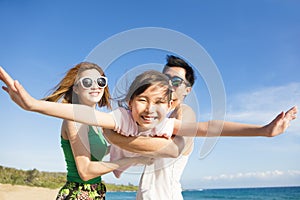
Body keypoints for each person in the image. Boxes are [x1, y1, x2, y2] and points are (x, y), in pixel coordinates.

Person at [1, 62, 154, 200]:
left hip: (96, 192)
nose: (95, 86)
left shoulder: (96, 123)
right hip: (78, 194)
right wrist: (133, 161)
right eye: (87, 82)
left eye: (100, 81)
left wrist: (131, 147)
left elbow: (94, 152)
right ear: (76, 88)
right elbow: (85, 171)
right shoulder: (75, 121)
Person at [136, 55, 196, 200]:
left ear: (187, 90)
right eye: (164, 79)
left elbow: (175, 150)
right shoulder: (161, 117)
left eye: (176, 81)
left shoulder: (186, 112)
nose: (169, 85)